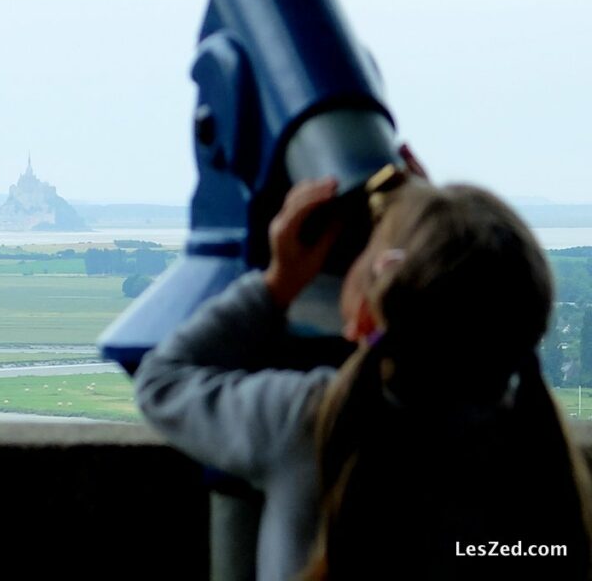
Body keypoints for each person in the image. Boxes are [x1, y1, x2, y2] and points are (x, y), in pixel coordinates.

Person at [135, 175, 592, 580]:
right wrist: (430, 223)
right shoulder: (528, 443)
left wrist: (278, 282)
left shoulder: (306, 418)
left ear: (370, 311)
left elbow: (162, 380)